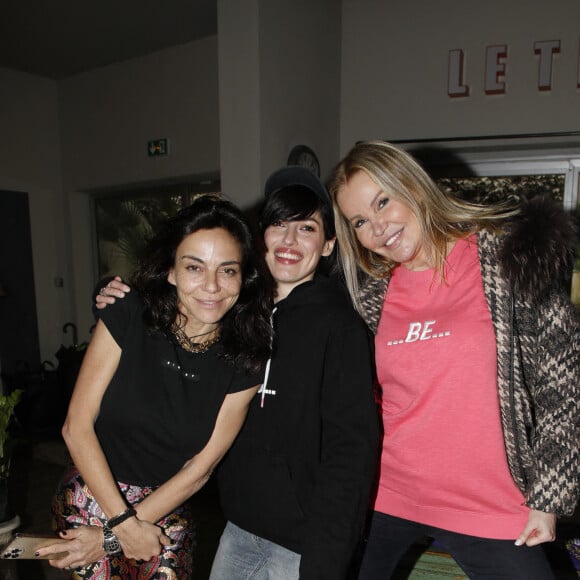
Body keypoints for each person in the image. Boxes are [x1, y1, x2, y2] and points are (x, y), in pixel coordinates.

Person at [96, 166, 381, 580]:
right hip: (238, 529)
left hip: (303, 546)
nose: (289, 241)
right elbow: (166, 319)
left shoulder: (340, 329)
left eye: (306, 228)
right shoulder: (234, 307)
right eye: (278, 225)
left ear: (327, 246)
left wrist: (326, 561)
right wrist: (109, 294)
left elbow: (351, 456)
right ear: (259, 235)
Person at [327, 139, 580, 579]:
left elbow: (562, 388)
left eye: (383, 201)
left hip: (487, 502)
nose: (378, 227)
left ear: (415, 188)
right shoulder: (372, 294)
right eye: (361, 221)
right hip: (385, 493)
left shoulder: (507, 260)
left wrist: (548, 498)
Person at [37, 194, 272, 579]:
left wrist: (115, 536)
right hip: (92, 494)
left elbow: (201, 467)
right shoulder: (128, 315)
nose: (212, 286)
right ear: (171, 271)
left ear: (243, 278)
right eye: (194, 267)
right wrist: (122, 528)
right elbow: (75, 426)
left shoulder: (246, 358)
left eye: (227, 270)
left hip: (165, 508)